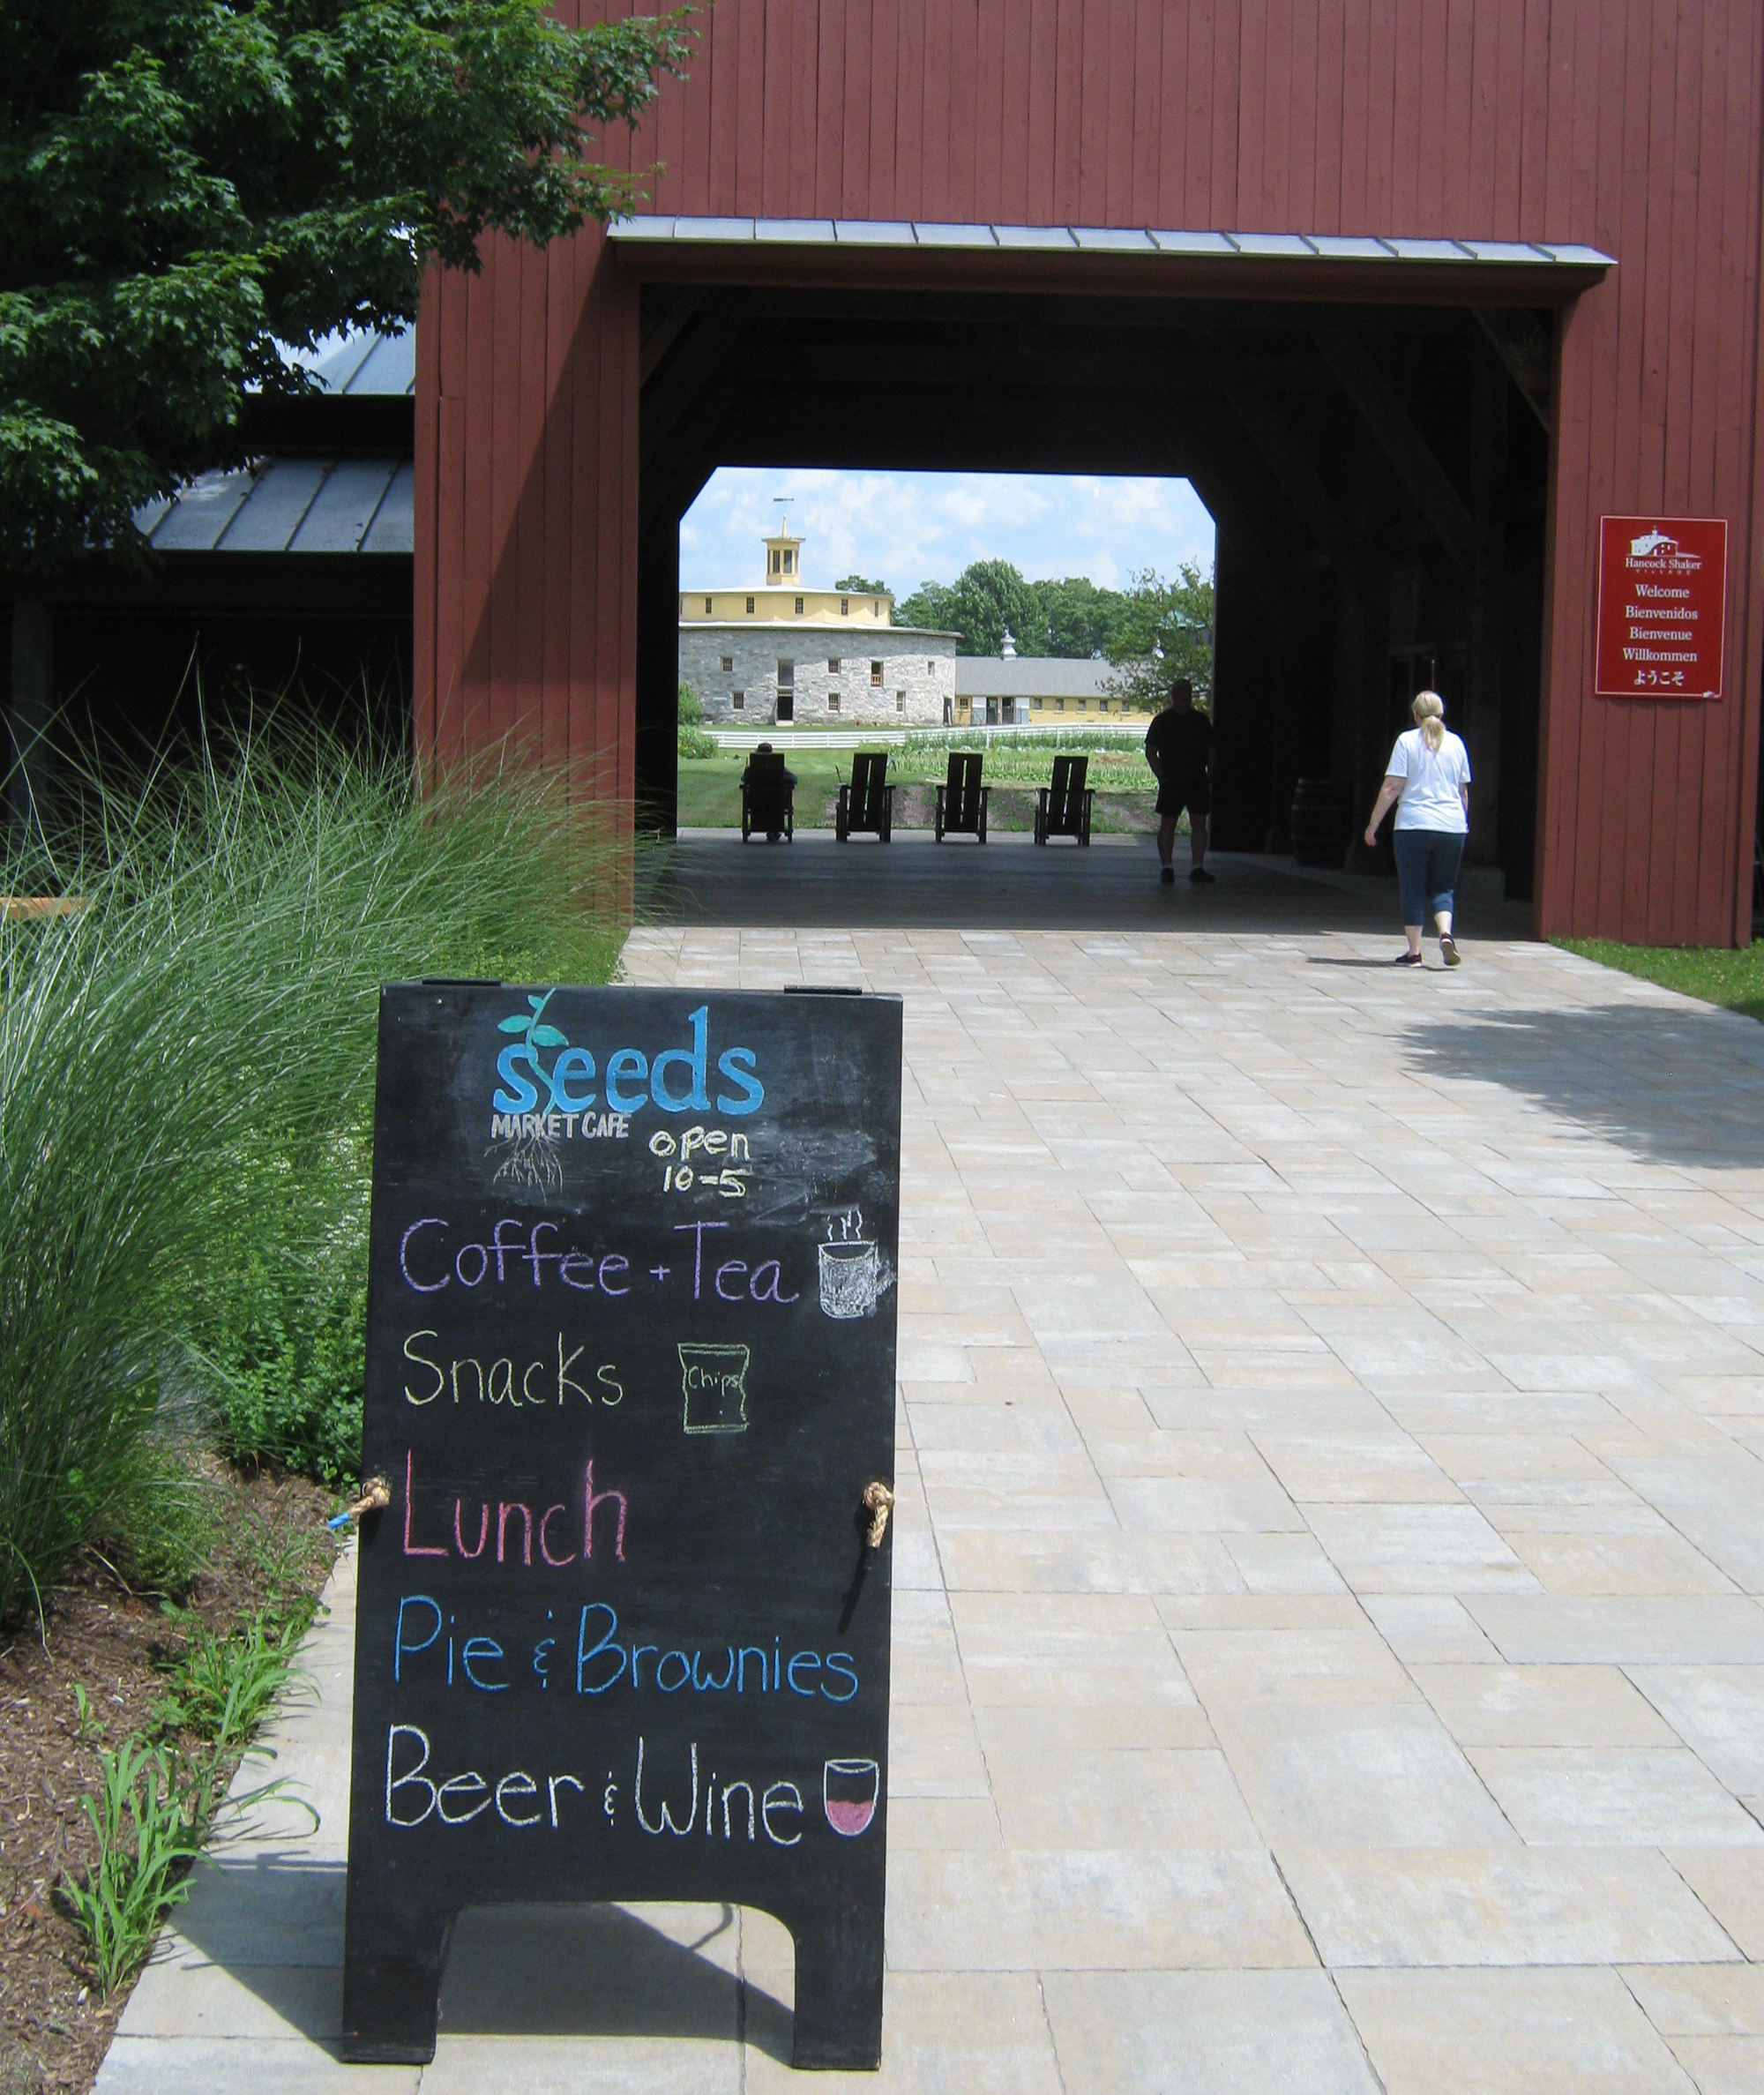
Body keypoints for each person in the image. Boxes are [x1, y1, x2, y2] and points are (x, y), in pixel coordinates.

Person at [1363, 690, 1470, 966]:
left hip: (1413, 826)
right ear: (1442, 714)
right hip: (1452, 826)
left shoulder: (1407, 741)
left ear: (1415, 714)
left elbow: (1391, 787)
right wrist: (1462, 823)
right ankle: (1445, 934)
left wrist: (1373, 825)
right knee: (1443, 888)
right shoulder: (1457, 744)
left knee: (1412, 888)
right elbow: (1463, 793)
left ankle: (1414, 952)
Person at [1144, 677, 1215, 885]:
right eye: (1179, 694)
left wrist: (1209, 774)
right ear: (1174, 696)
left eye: (1187, 694)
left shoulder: (1200, 721)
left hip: (1197, 779)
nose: (1183, 698)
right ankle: (1167, 868)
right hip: (1172, 780)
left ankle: (1197, 867)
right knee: (1168, 824)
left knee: (1199, 823)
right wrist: (1162, 777)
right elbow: (1151, 752)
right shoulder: (1162, 721)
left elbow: (1211, 750)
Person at [744, 739, 796, 843]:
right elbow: (794, 780)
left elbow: (745, 780)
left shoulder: (752, 769)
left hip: (756, 801)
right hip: (777, 800)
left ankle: (768, 829)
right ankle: (774, 830)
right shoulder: (779, 769)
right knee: (775, 802)